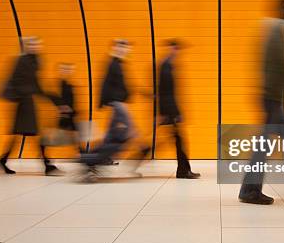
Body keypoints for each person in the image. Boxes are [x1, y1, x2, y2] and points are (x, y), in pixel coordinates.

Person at [238, 0, 284, 205]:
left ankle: (249, 189)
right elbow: (279, 65)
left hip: (270, 96)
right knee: (265, 145)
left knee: (274, 140)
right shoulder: (277, 32)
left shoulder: (274, 30)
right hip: (270, 97)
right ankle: (249, 191)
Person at [80, 39, 150, 178]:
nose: (124, 50)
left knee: (112, 138)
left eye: (126, 48)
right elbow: (105, 85)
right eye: (121, 48)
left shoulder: (118, 64)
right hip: (118, 106)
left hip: (118, 105)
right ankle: (90, 160)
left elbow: (124, 86)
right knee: (127, 136)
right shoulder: (113, 64)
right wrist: (109, 103)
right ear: (115, 48)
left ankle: (91, 160)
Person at [0, 37, 61, 176]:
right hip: (24, 103)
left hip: (28, 102)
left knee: (22, 135)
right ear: (26, 46)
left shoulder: (36, 60)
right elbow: (14, 79)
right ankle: (47, 165)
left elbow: (36, 84)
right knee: (36, 134)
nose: (35, 46)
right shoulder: (22, 60)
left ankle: (3, 160)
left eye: (37, 44)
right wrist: (23, 94)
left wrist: (54, 99)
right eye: (32, 44)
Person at [158, 39, 200, 179]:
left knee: (177, 140)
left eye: (178, 49)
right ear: (170, 49)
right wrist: (172, 113)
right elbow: (165, 92)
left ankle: (183, 170)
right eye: (175, 49)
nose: (177, 52)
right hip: (169, 111)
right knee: (179, 141)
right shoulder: (165, 67)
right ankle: (183, 171)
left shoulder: (169, 66)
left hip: (169, 110)